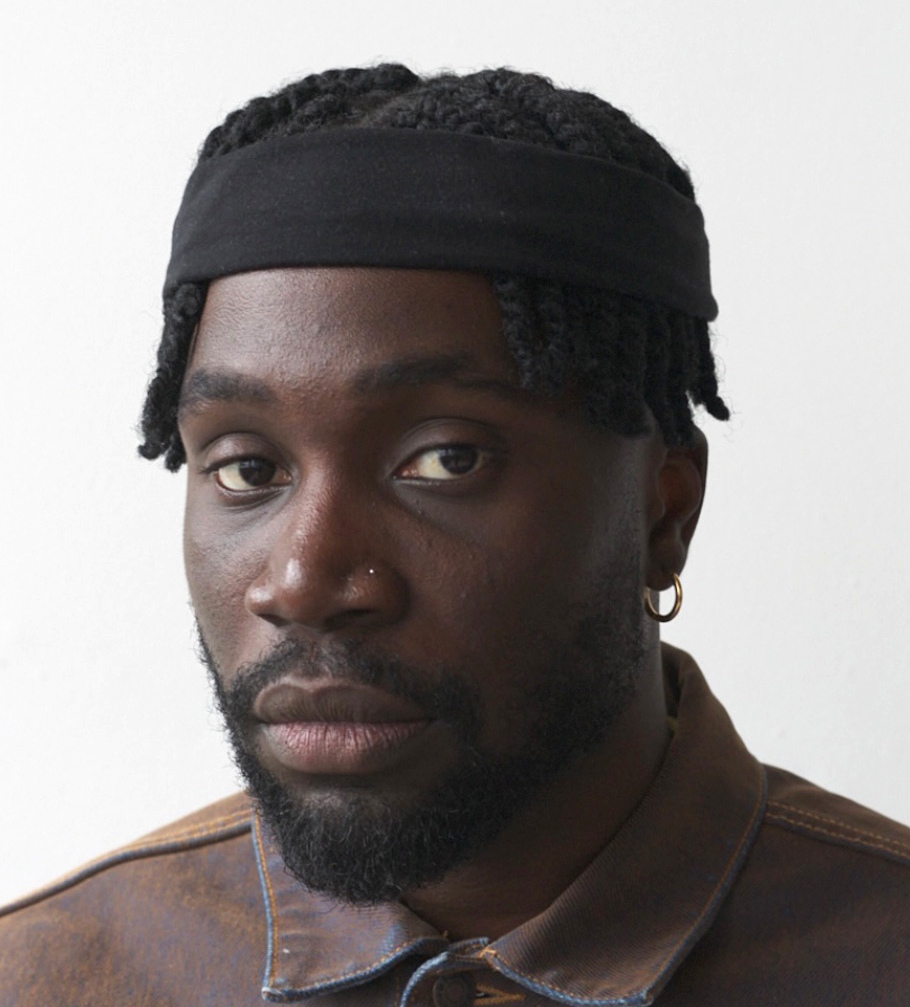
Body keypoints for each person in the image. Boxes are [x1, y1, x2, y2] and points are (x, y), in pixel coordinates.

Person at [1, 63, 907, 1006]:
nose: (303, 581)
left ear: (665, 510)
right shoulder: (49, 977)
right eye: (247, 469)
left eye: (446, 460)